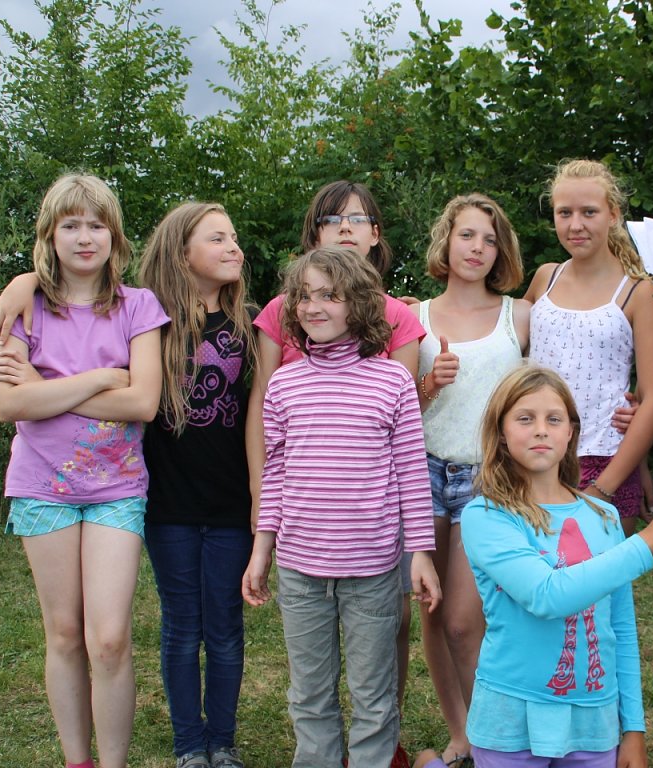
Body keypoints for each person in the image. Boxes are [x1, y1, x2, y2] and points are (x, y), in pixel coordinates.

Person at [244, 180, 425, 767]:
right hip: (300, 569)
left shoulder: (391, 381)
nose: (314, 307)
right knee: (310, 696)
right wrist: (261, 550)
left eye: (330, 296)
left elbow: (411, 474)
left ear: (361, 305)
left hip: (372, 568)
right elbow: (276, 473)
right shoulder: (285, 385)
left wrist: (420, 555)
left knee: (373, 697)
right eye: (304, 297)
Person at [0, 174, 168, 768]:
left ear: (114, 237)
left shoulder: (139, 307)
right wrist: (98, 380)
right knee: (64, 634)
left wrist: (47, 390)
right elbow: (9, 404)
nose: (85, 237)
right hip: (43, 487)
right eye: (71, 225)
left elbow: (143, 402)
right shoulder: (23, 306)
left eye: (96, 225)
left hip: (118, 488)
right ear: (50, 235)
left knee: (109, 639)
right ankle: (78, 761)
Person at [461, 364, 653, 768]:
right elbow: (546, 596)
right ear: (501, 432)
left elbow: (620, 628)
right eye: (525, 419)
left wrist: (634, 730)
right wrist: (649, 540)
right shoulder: (487, 515)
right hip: (509, 719)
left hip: (594, 722)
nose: (541, 430)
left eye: (554, 419)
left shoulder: (603, 517)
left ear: (571, 432)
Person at [411, 193, 531, 767]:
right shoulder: (413, 317)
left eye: (489, 239)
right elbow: (397, 408)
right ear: (447, 239)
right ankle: (460, 734)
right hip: (423, 470)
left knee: (464, 620)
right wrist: (429, 383)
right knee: (433, 614)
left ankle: (493, 737)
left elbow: (546, 394)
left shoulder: (520, 316)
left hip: (489, 478)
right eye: (467, 235)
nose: (478, 248)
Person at [137, 202, 257, 768]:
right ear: (180, 253)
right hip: (168, 506)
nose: (234, 247)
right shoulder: (145, 321)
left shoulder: (252, 326)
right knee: (182, 627)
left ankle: (222, 741)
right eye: (217, 238)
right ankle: (189, 744)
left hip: (233, 504)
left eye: (234, 237)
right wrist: (25, 281)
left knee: (226, 628)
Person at [523, 159, 653, 537]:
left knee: (600, 575)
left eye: (589, 212)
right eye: (564, 213)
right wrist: (425, 314)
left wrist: (603, 488)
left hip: (605, 462)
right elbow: (499, 337)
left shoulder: (639, 292)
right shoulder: (545, 279)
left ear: (613, 214)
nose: (576, 225)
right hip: (532, 456)